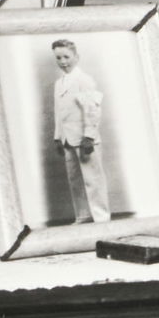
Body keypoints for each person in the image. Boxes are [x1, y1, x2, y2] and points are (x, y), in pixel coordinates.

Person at [50, 38, 110, 224]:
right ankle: (83, 215)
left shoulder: (84, 80)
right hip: (68, 139)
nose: (63, 62)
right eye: (58, 58)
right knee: (75, 180)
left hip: (84, 138)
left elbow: (92, 109)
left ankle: (101, 218)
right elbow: (59, 112)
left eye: (66, 57)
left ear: (77, 57)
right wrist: (58, 137)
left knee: (93, 180)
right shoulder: (59, 83)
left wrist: (89, 137)